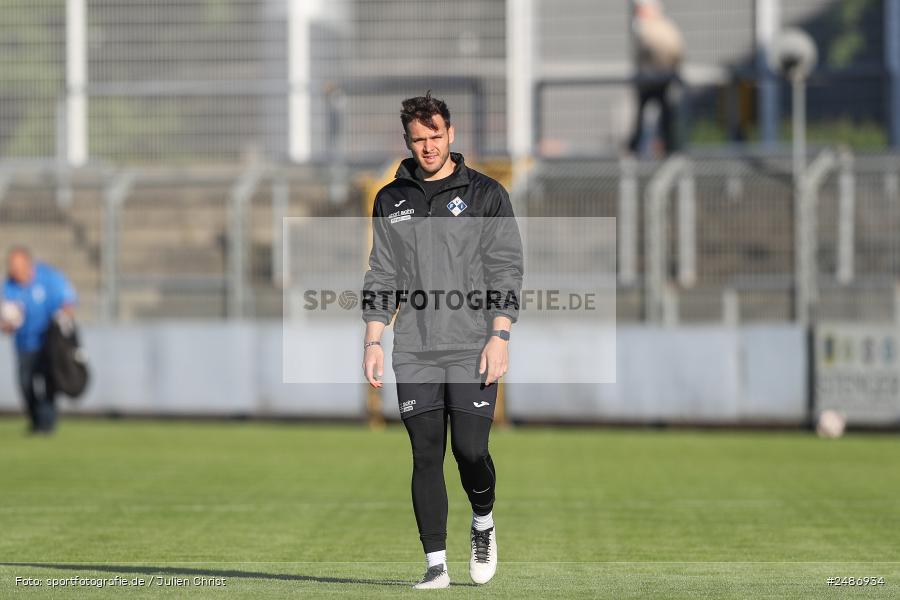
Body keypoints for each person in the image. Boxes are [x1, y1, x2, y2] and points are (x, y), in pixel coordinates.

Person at [361, 92, 523, 589]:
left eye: (436, 136)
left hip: (474, 341)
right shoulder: (391, 199)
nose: (428, 147)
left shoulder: (486, 194)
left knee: (471, 451)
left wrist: (500, 333)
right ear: (407, 142)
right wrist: (373, 339)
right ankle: (435, 564)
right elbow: (382, 271)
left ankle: (483, 521)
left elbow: (506, 266)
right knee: (426, 453)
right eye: (419, 139)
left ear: (451, 135)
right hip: (415, 346)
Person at [2, 247, 77, 434]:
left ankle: (48, 423)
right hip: (24, 344)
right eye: (11, 266)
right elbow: (6, 322)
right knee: (25, 384)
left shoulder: (48, 278)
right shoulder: (9, 286)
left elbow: (68, 302)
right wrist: (7, 324)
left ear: (27, 264)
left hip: (49, 342)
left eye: (16, 265)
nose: (13, 270)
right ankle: (36, 420)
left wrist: (62, 321)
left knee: (49, 381)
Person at [627, 0, 685, 156]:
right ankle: (648, 150)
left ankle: (667, 150)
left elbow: (672, 52)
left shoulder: (652, 29)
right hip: (652, 81)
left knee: (662, 120)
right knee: (648, 120)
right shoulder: (653, 28)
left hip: (658, 81)